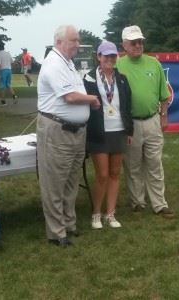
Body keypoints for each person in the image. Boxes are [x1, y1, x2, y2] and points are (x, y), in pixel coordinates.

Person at [37, 25, 100, 247]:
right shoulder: (54, 63)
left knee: (71, 181)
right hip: (58, 131)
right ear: (60, 42)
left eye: (78, 40)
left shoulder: (68, 63)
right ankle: (57, 232)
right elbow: (71, 98)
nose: (77, 44)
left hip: (75, 132)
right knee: (55, 183)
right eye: (74, 40)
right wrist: (92, 100)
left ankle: (69, 223)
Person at [116, 25, 174, 218]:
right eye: (134, 42)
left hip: (152, 120)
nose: (138, 45)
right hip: (130, 123)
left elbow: (164, 95)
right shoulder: (117, 65)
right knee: (132, 165)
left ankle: (159, 204)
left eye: (141, 41)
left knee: (154, 163)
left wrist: (164, 116)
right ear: (124, 45)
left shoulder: (154, 63)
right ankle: (137, 202)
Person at [83, 41, 133, 229]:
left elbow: (127, 106)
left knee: (114, 173)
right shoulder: (88, 79)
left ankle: (110, 214)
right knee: (102, 175)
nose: (110, 59)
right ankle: (96, 213)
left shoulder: (122, 78)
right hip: (99, 132)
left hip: (119, 130)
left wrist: (130, 130)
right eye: (106, 56)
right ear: (99, 57)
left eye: (113, 56)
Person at [0, 42, 18, 106]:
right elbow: (13, 63)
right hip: (9, 70)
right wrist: (10, 69)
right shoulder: (8, 53)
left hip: (3, 71)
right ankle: (14, 96)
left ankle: (3, 102)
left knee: (2, 86)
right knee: (8, 85)